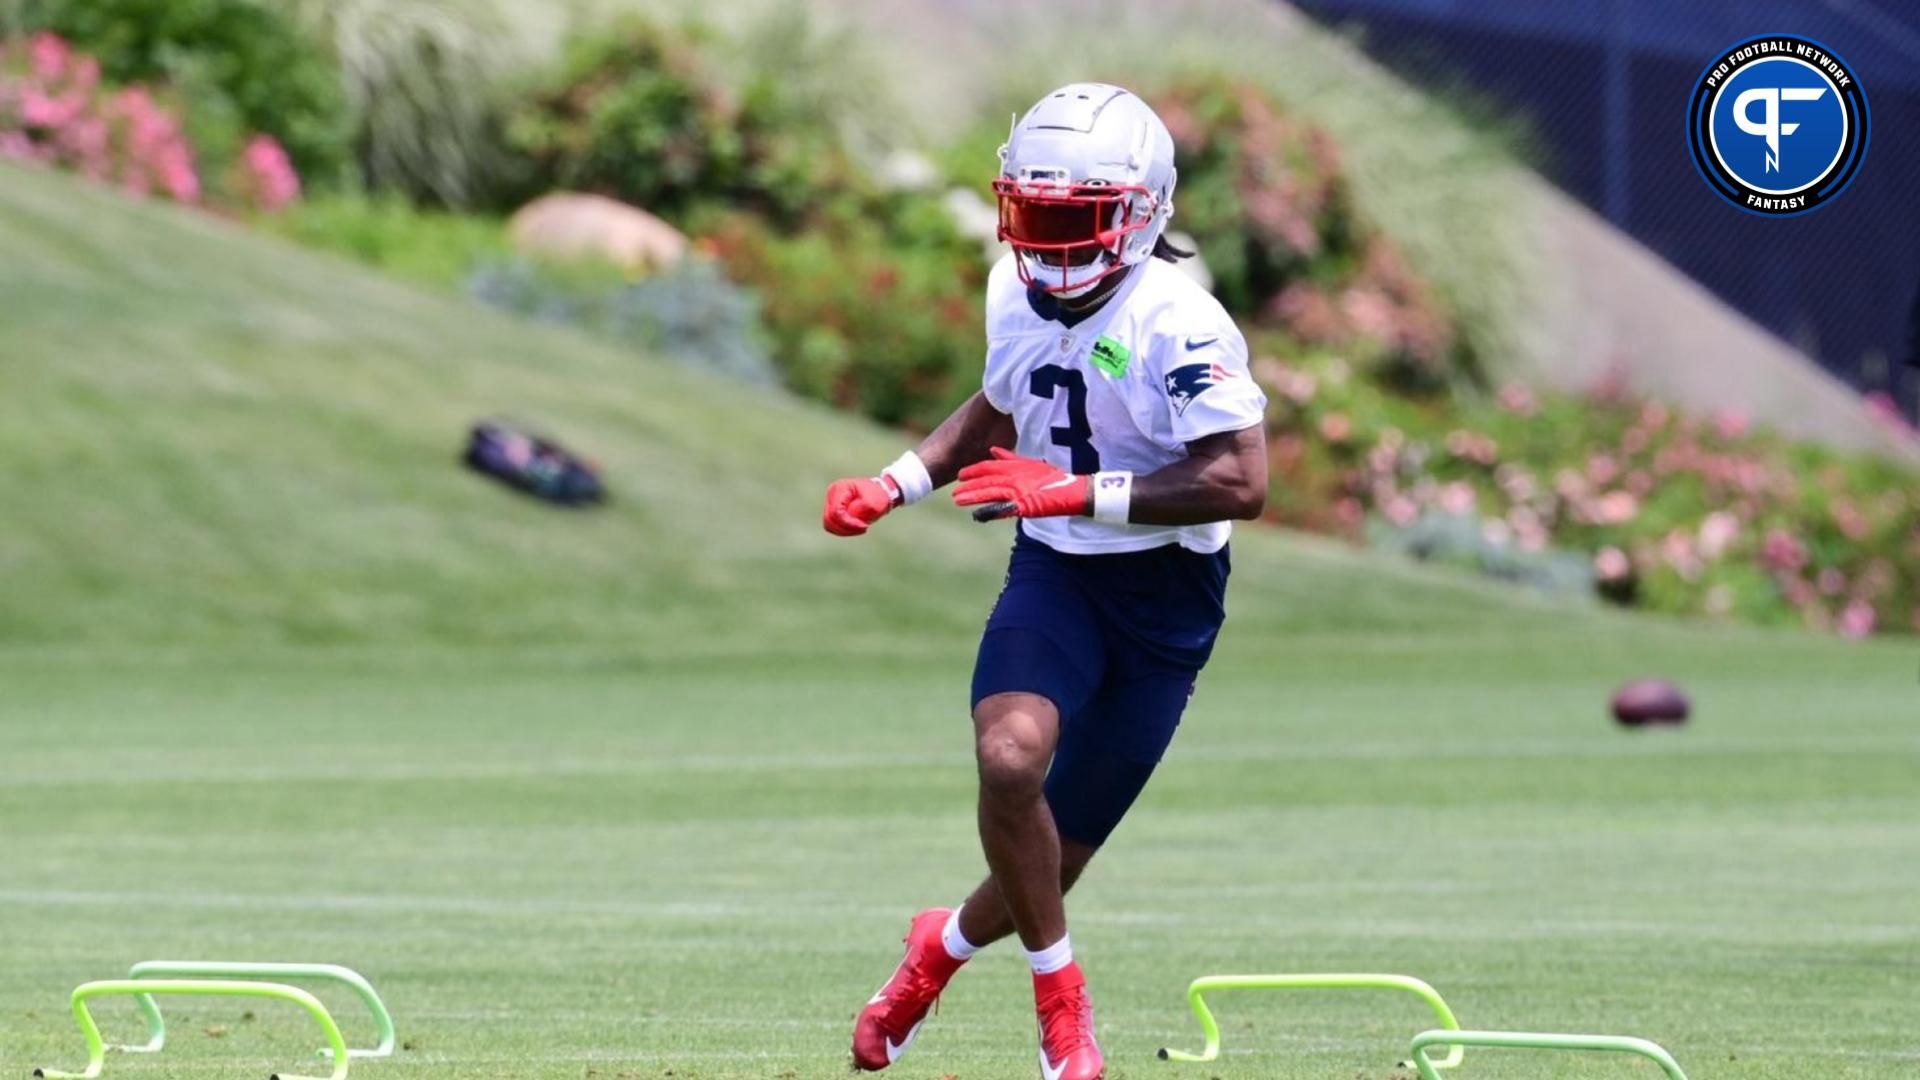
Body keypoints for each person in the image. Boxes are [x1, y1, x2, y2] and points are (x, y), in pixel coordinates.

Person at [821, 82, 1269, 1080]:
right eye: (1032, 216)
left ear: (1141, 213)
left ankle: (935, 952)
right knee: (1011, 761)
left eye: (1075, 221)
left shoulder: (1181, 322)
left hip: (1165, 601)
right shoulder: (1009, 287)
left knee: (1055, 857)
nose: (1049, 245)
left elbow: (1242, 481)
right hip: (1057, 577)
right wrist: (896, 483)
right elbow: (1000, 401)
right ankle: (1060, 1004)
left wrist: (1074, 492)